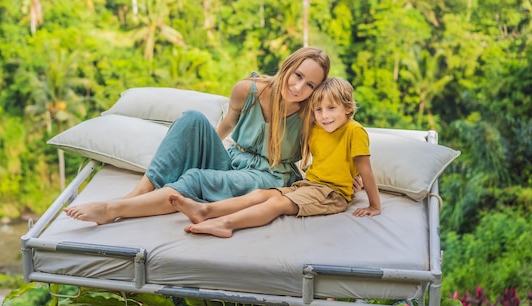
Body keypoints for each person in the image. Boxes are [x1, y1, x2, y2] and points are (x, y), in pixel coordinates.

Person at [64, 46, 331, 224]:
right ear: (288, 67)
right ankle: (135, 194)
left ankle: (113, 210)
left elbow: (331, 148)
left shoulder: (310, 114)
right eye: (297, 76)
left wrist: (348, 175)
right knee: (192, 117)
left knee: (196, 178)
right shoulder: (247, 90)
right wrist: (203, 149)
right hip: (234, 162)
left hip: (266, 176)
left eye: (310, 85)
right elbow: (228, 123)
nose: (298, 87)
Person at [169, 77, 381, 238]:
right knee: (262, 194)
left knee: (277, 203)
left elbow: (365, 169)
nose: (324, 116)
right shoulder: (317, 128)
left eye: (331, 108)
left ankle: (226, 224)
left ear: (348, 107)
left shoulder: (355, 131)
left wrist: (374, 205)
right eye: (318, 110)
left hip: (332, 194)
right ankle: (205, 210)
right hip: (309, 185)